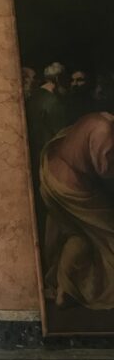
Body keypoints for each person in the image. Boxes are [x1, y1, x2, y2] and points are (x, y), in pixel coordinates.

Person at [40, 112, 114, 310]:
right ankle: (87, 287)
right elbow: (104, 169)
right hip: (68, 185)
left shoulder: (101, 118)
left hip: (53, 169)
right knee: (108, 233)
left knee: (77, 235)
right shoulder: (104, 132)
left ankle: (62, 286)